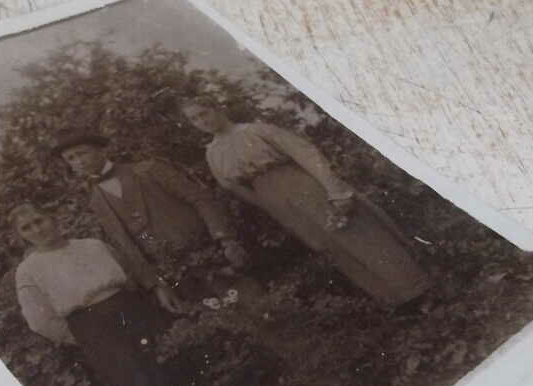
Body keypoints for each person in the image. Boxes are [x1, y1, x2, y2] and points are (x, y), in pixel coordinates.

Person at [180, 98, 431, 308]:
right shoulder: (212, 153)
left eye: (205, 113)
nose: (203, 121)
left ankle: (418, 289)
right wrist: (269, 205)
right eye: (195, 119)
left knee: (354, 232)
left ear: (217, 108)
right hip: (274, 200)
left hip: (300, 184)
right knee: (327, 245)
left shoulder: (256, 131)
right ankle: (394, 300)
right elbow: (231, 186)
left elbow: (305, 153)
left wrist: (333, 189)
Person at [10, 203, 176, 386]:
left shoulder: (93, 246)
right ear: (21, 236)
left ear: (52, 218)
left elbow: (128, 276)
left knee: (163, 370)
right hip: (92, 329)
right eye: (27, 228)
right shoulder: (28, 270)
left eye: (40, 221)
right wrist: (80, 336)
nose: (37, 230)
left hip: (128, 311)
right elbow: (38, 319)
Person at [51, 129, 250, 312]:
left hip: (214, 254)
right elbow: (126, 245)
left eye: (82, 153)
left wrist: (225, 240)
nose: (79, 161)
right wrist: (156, 285)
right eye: (71, 158)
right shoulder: (96, 201)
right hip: (179, 278)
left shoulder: (148, 169)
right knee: (225, 327)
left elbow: (201, 199)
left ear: (101, 150)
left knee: (257, 309)